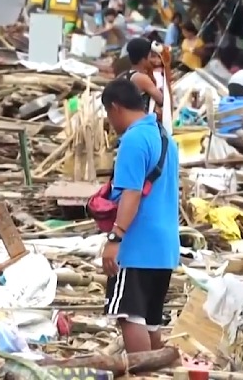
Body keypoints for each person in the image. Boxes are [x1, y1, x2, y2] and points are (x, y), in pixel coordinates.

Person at [100, 76, 180, 354]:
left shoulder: (133, 140)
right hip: (165, 246)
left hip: (137, 244)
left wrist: (115, 237)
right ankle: (157, 371)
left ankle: (143, 372)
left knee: (129, 315)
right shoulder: (164, 136)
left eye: (109, 115)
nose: (111, 122)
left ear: (115, 107)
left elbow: (131, 194)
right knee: (150, 321)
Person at [117, 38, 164, 112]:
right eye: (150, 56)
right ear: (143, 59)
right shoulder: (142, 78)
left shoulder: (124, 74)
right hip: (141, 119)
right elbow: (161, 100)